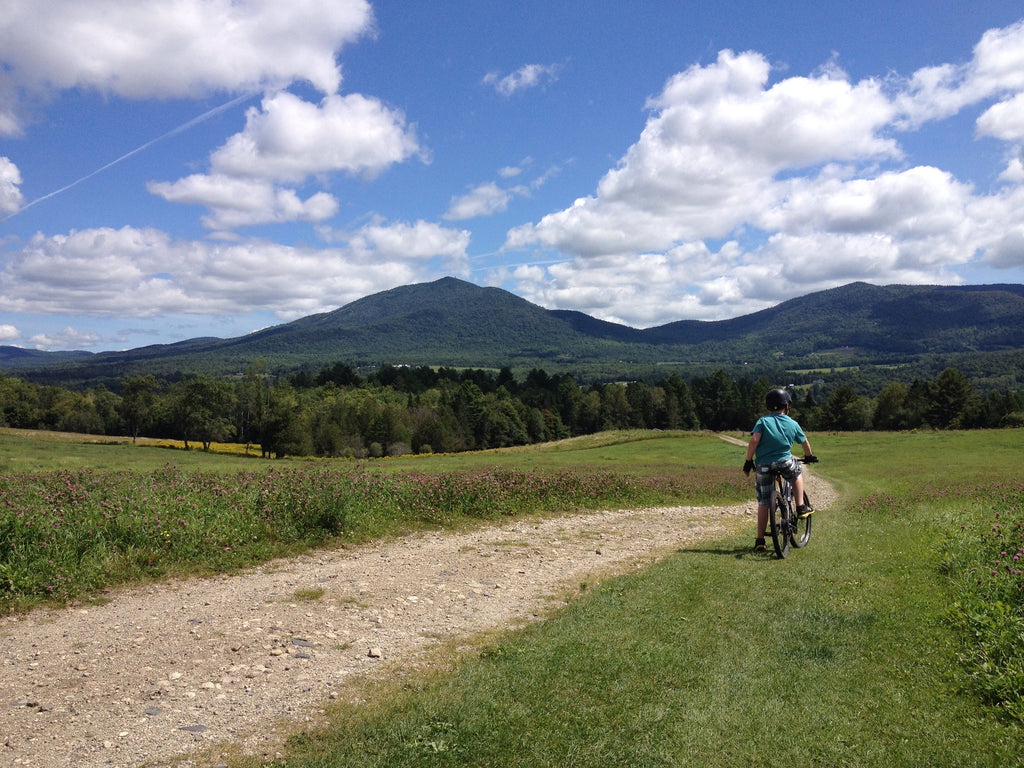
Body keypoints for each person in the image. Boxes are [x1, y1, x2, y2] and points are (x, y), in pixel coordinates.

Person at [743, 388, 818, 552]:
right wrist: (809, 456)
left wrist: (748, 461)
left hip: (763, 465)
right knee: (796, 474)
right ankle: (800, 506)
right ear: (787, 405)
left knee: (763, 503)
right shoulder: (792, 423)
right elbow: (804, 442)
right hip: (784, 461)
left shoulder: (762, 421)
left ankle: (760, 540)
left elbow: (754, 440)